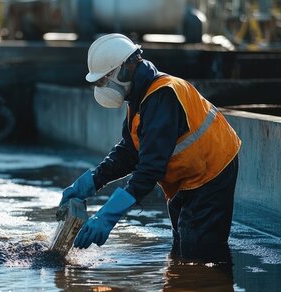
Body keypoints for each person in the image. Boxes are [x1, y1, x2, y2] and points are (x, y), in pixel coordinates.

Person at [57, 33, 241, 261]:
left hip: (212, 170)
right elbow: (129, 151)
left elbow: (150, 169)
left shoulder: (162, 96)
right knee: (181, 246)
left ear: (124, 69)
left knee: (199, 253)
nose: (103, 87)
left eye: (104, 80)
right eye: (99, 83)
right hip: (187, 174)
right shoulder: (138, 96)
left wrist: (107, 216)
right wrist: (91, 182)